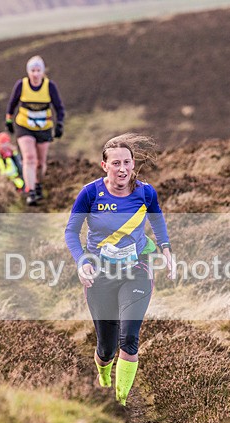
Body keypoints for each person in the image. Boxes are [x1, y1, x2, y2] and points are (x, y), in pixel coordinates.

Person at [64, 133, 176, 406]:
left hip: (136, 269)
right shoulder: (90, 193)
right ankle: (103, 375)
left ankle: (120, 402)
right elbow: (71, 232)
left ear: (133, 164)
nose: (123, 168)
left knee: (129, 338)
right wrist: (82, 261)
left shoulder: (146, 192)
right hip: (100, 273)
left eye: (127, 162)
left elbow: (158, 222)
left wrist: (166, 250)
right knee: (106, 346)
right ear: (105, 166)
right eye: (116, 163)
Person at [5, 55, 65, 206]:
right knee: (29, 158)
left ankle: (38, 184)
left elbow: (59, 108)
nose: (36, 74)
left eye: (38, 70)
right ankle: (30, 191)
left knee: (40, 162)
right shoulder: (21, 85)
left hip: (44, 128)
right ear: (28, 72)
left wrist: (59, 125)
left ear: (43, 71)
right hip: (24, 126)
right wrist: (9, 120)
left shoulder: (49, 86)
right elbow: (12, 104)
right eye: (33, 70)